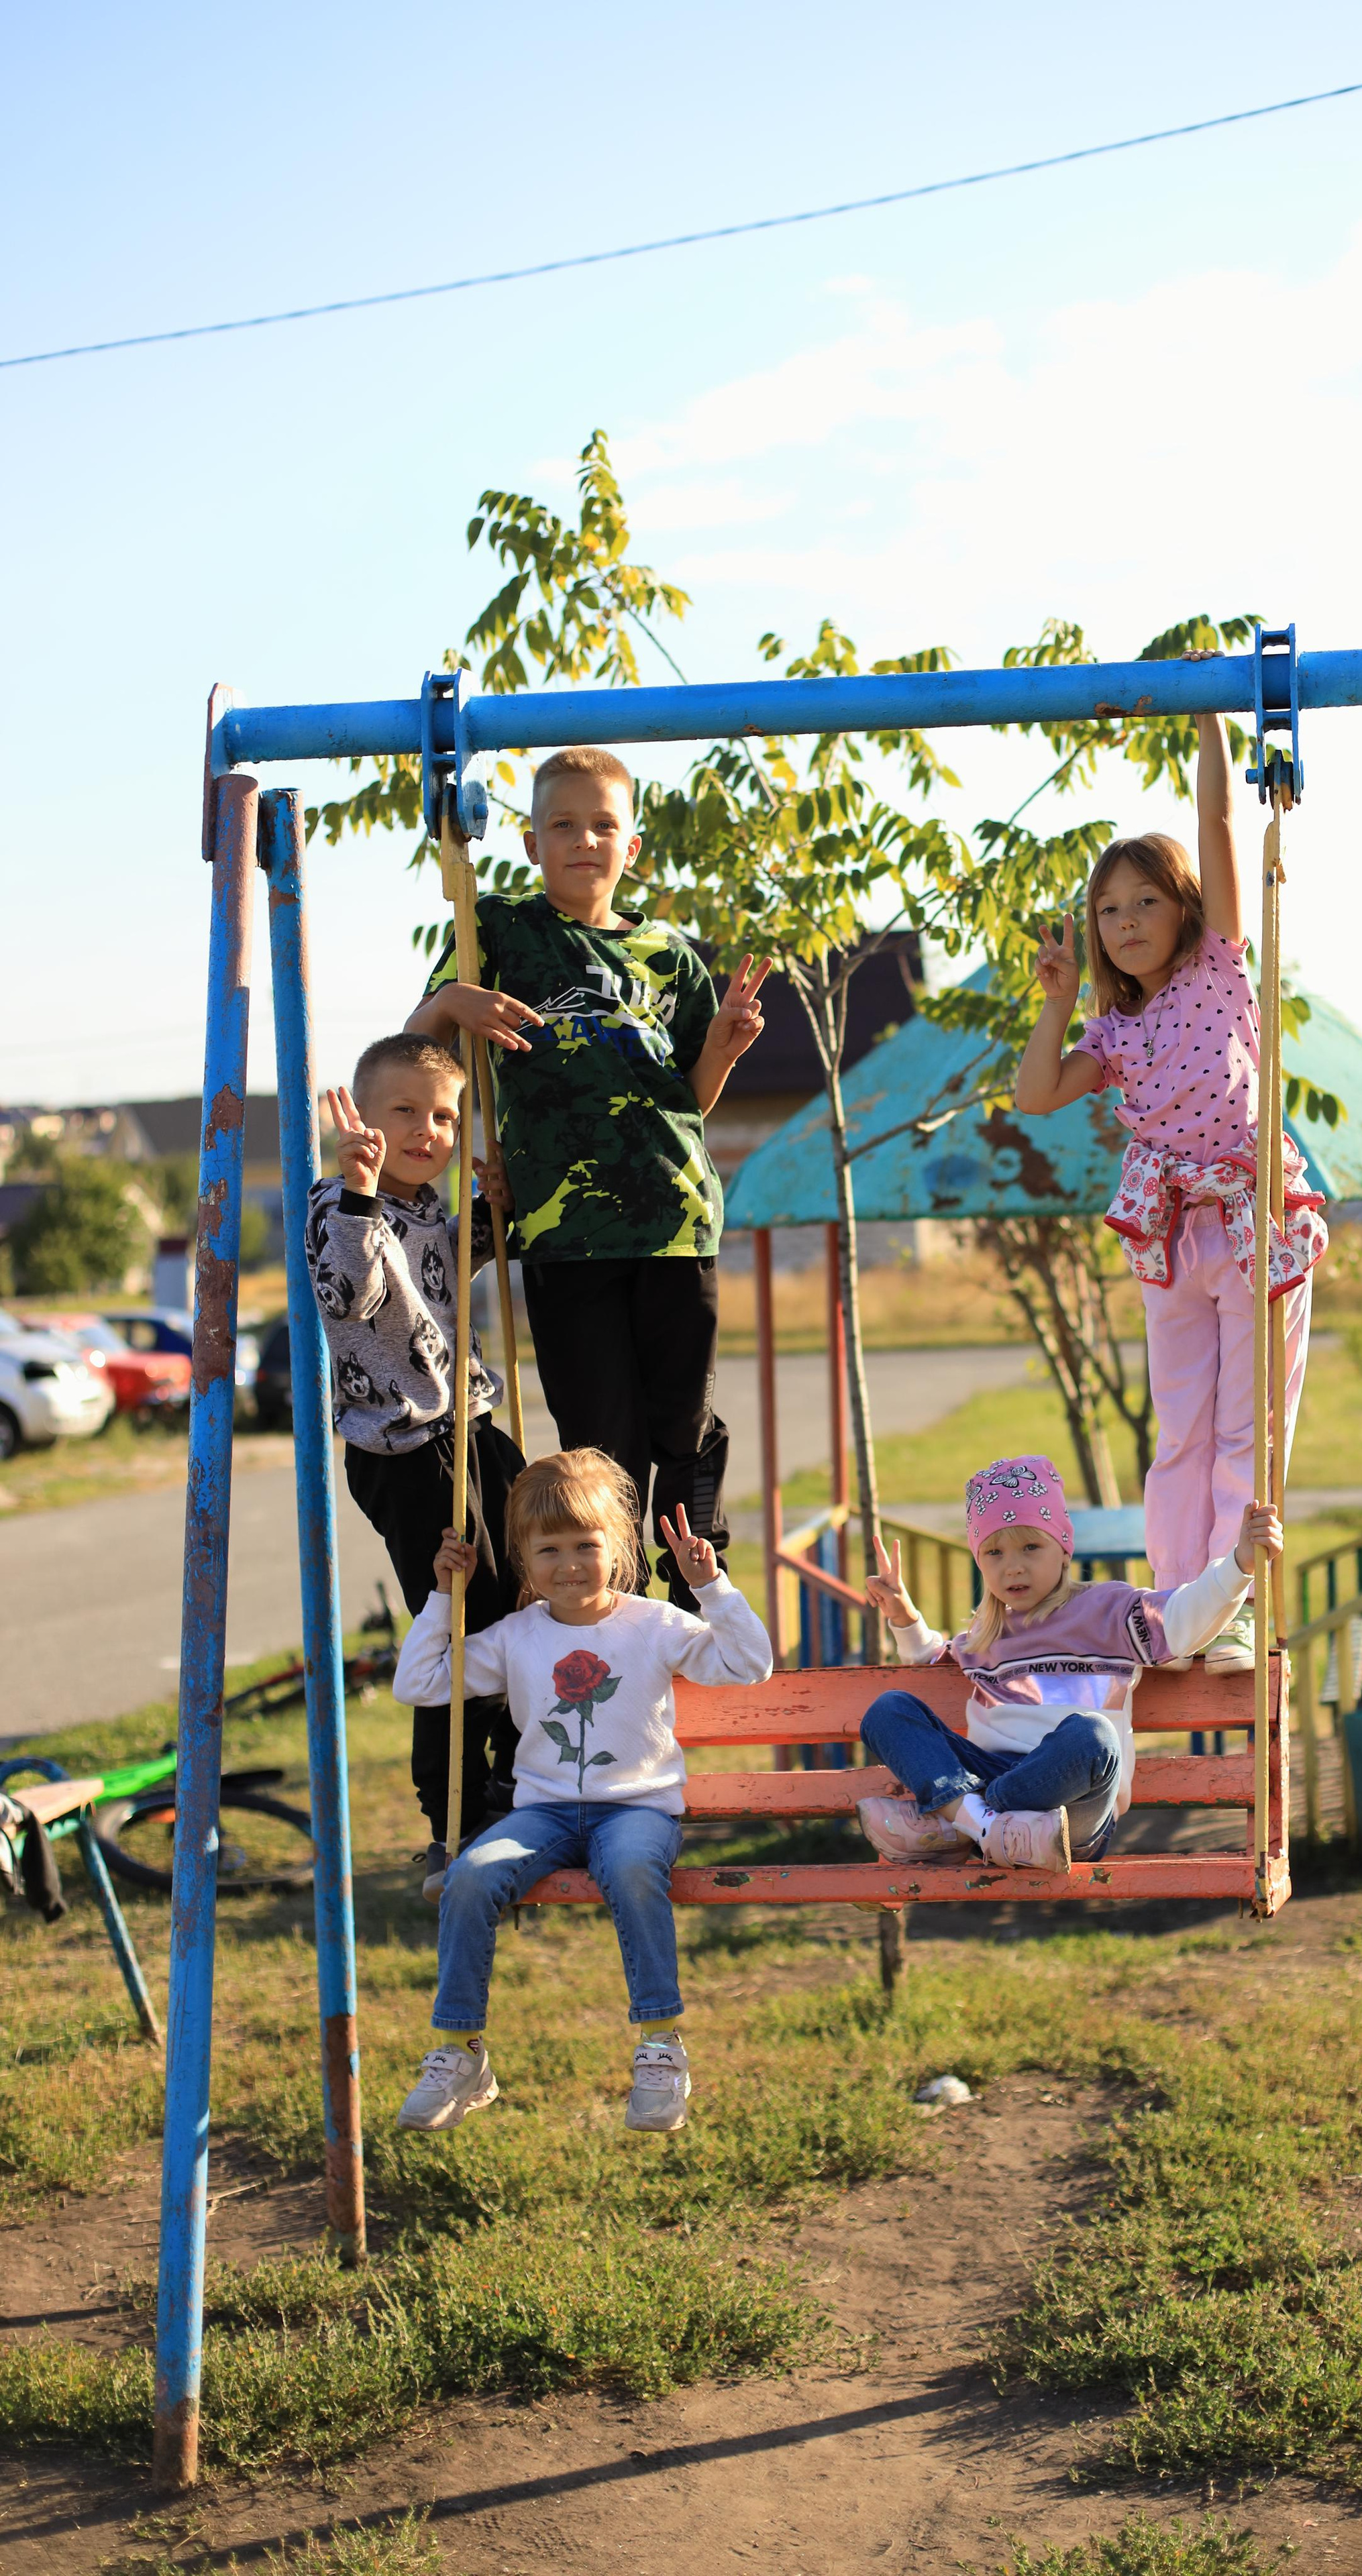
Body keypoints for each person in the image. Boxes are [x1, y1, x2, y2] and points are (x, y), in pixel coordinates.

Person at [405, 745, 770, 1611]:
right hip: (564, 1235)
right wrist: (452, 1004)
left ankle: (695, 1596)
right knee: (602, 1439)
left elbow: (685, 1099)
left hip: (675, 1217)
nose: (584, 840)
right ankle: (612, 1609)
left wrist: (722, 1046)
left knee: (682, 1426)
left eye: (604, 824)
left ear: (632, 845)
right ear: (531, 843)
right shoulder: (495, 929)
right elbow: (416, 1052)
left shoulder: (668, 954)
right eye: (563, 825)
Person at [1012, 708, 1325, 1673]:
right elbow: (1034, 1095)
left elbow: (1221, 824)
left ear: (1184, 910)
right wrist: (1059, 998)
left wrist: (1210, 724)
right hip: (1169, 1236)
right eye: (1110, 911)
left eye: (1146, 901)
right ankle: (1175, 1603)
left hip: (1248, 1217)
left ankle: (1230, 1601)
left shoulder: (1220, 968)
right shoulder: (1111, 1034)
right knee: (1180, 1432)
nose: (1128, 922)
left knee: (1245, 1428)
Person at [391, 1447, 772, 2138]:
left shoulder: (653, 1625)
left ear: (619, 1547)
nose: (568, 1565)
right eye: (548, 1550)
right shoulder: (514, 1637)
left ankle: (661, 2045)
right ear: (521, 1559)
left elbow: (749, 1665)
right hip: (543, 1815)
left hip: (637, 1809)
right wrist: (444, 1594)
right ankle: (460, 2050)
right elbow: (419, 1685)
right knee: (468, 1876)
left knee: (629, 1870)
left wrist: (711, 1587)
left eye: (586, 1545)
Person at [311, 1034, 523, 1898]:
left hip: (471, 1422)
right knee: (458, 1619)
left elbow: (448, 1272)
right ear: (363, 1119)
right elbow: (348, 1295)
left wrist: (491, 1215)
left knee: (523, 1599)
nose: (428, 1129)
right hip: (404, 1450)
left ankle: (520, 1781)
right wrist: (360, 1189)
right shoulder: (338, 1205)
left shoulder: (430, 1205)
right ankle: (454, 1812)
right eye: (405, 1111)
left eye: (443, 1115)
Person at [855, 1453, 1281, 1869]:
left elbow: (1182, 1619)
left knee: (1093, 1736)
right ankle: (988, 1829)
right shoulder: (986, 1634)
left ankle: (965, 1825)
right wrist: (905, 1618)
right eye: (994, 1554)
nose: (1013, 1568)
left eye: (1030, 1547)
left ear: (1063, 1548)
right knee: (888, 1710)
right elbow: (932, 1662)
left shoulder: (1110, 1611)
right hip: (990, 1774)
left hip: (1072, 1805)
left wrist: (1239, 1565)